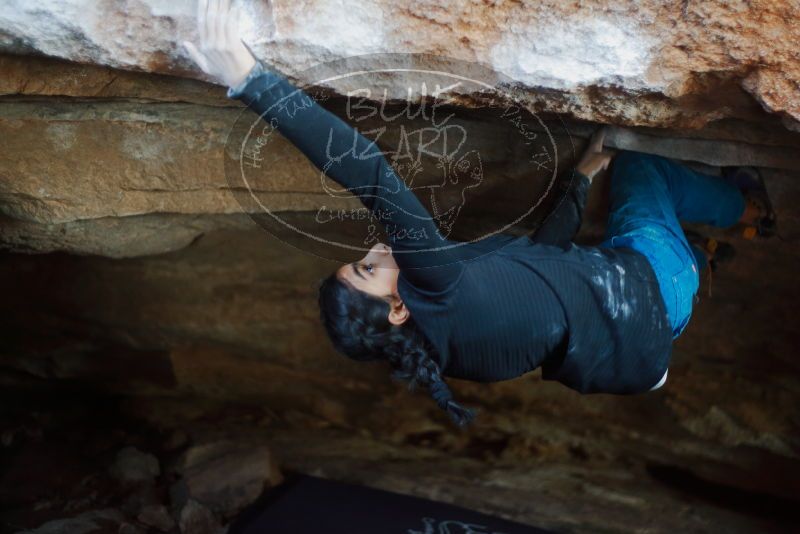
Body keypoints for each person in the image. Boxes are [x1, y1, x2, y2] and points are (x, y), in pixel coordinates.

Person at [184, 0, 775, 427]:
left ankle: (705, 257)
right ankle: (739, 205)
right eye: (369, 268)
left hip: (643, 345)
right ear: (395, 309)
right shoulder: (436, 283)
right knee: (643, 170)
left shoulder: (452, 357)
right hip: (648, 285)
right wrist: (247, 80)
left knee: (647, 236)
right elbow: (368, 171)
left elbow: (543, 279)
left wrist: (576, 183)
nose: (379, 250)